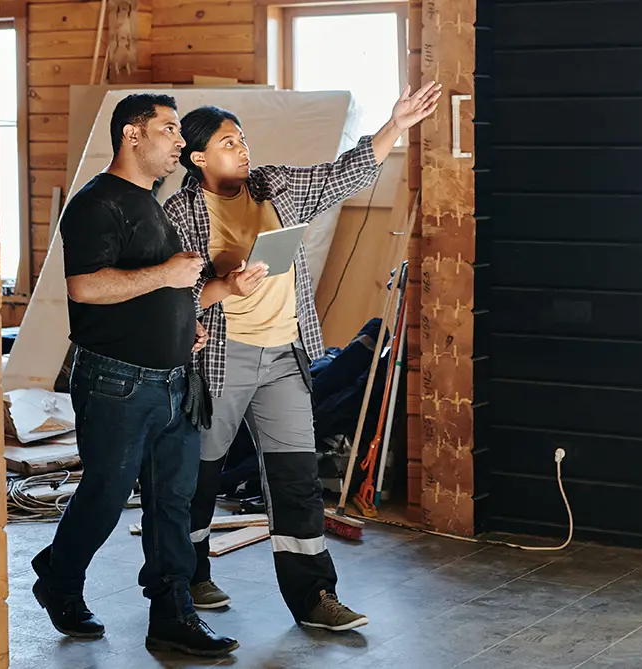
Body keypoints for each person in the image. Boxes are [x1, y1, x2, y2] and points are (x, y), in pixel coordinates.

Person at [163, 83, 443, 632]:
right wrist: (225, 284)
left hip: (285, 356)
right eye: (226, 143)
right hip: (222, 358)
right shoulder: (180, 212)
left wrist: (395, 126)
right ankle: (188, 574)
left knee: (295, 478)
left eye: (242, 139)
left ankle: (314, 596)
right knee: (200, 474)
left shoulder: (277, 184)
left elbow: (345, 173)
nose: (242, 149)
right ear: (197, 158)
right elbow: (171, 295)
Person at [28, 93, 237, 658]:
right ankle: (59, 578)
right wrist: (169, 274)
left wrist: (184, 326)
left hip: (173, 379)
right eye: (169, 129)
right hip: (117, 382)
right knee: (105, 495)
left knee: (173, 501)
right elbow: (87, 287)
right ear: (132, 135)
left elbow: (155, 291)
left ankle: (172, 615)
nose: (179, 140)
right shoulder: (97, 204)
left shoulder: (151, 202)